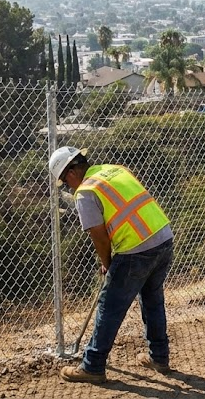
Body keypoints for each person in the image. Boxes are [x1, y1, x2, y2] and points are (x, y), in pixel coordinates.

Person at [48, 146, 175, 384]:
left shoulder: (86, 191)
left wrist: (107, 263)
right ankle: (159, 357)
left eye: (65, 181)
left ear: (72, 173)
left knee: (109, 307)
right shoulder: (114, 169)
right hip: (163, 237)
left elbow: (99, 235)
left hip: (136, 249)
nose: (68, 186)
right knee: (153, 299)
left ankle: (93, 365)